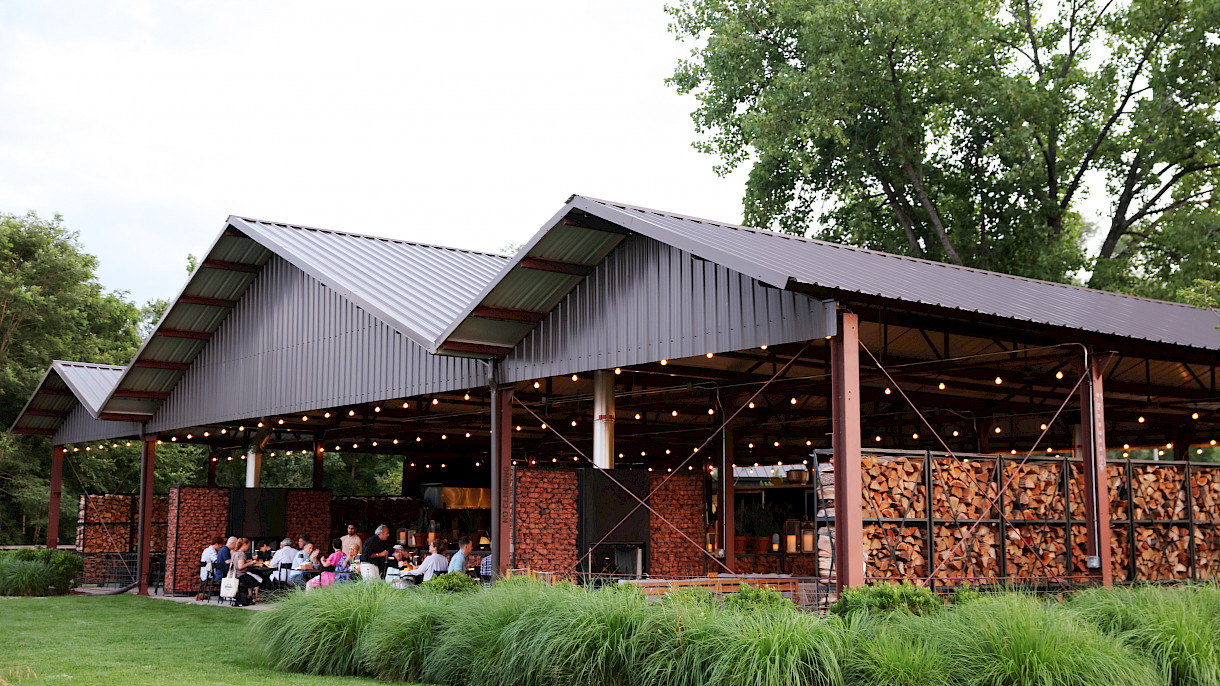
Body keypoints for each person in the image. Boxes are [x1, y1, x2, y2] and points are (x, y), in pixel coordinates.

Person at [230, 538, 263, 604]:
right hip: (240, 575)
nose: (248, 547)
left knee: (249, 581)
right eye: (248, 545)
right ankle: (254, 598)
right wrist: (249, 563)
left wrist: (245, 561)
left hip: (234, 574)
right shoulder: (241, 554)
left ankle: (249, 597)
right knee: (256, 582)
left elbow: (236, 563)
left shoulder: (234, 553)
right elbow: (240, 567)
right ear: (244, 544)